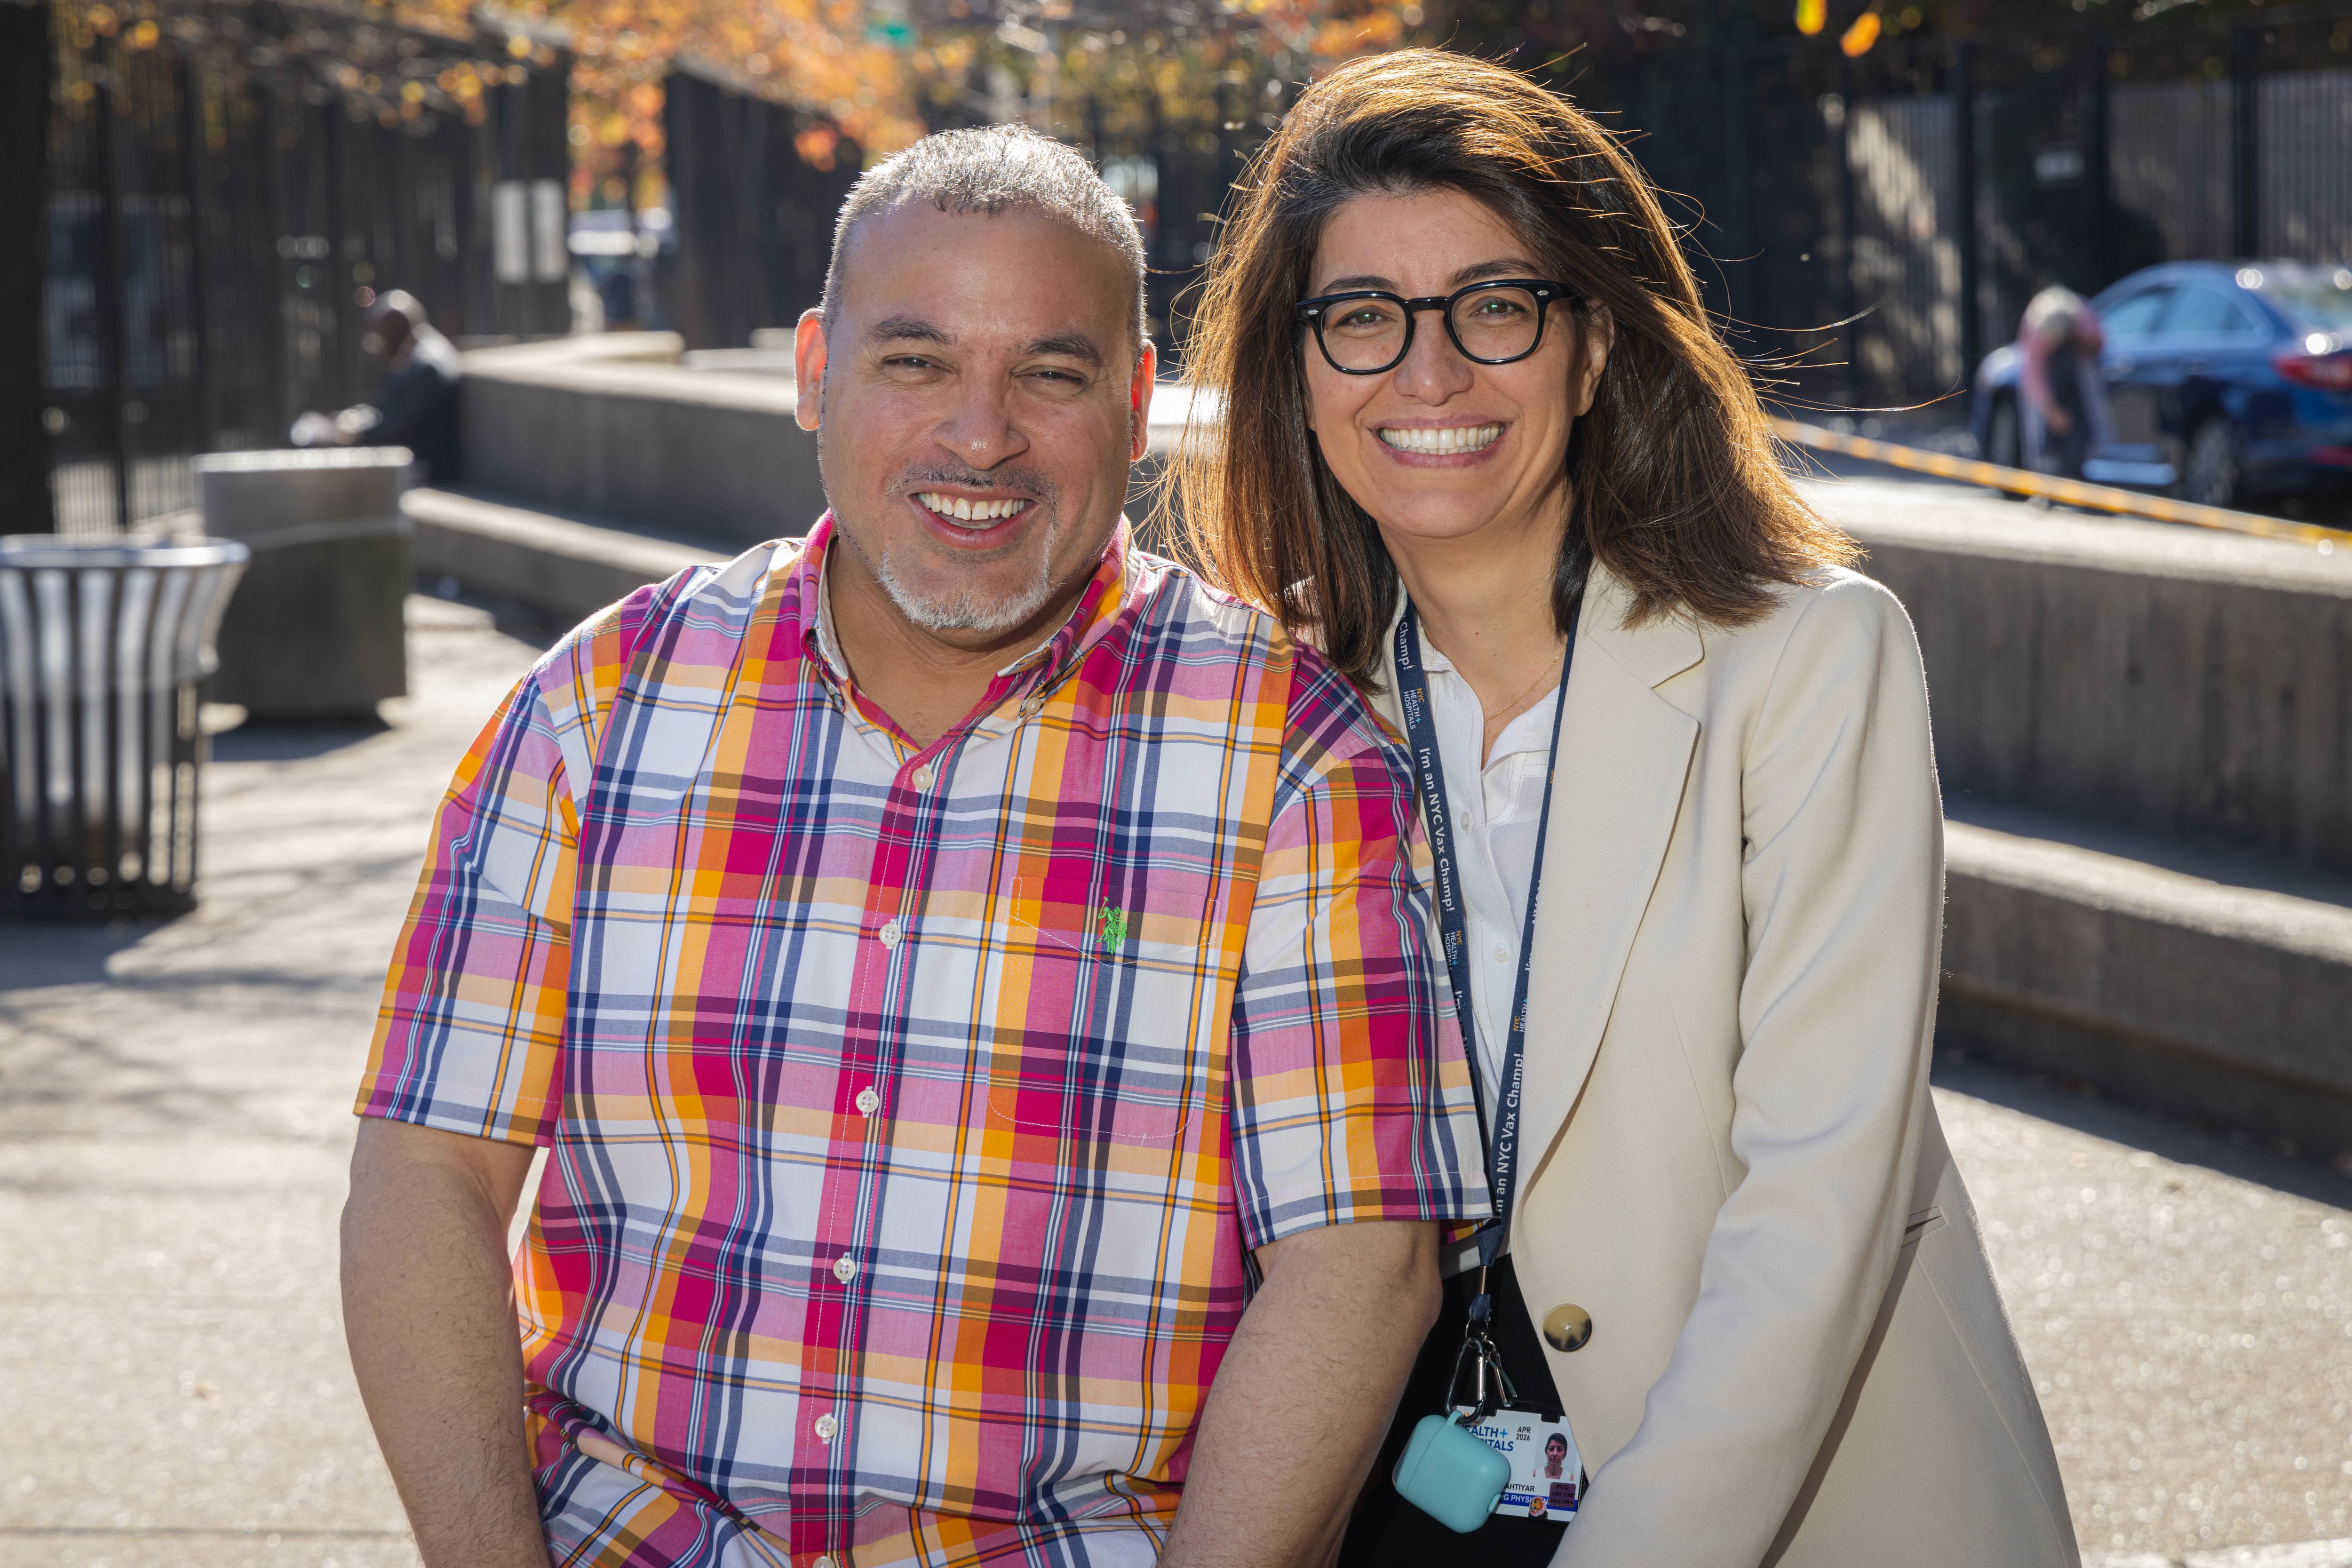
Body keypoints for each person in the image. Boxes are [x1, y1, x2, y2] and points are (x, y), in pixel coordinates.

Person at [339, 125, 1487, 1568]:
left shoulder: (1291, 758)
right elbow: (425, 1175)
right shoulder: (601, 705)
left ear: (1137, 404)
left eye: (1049, 373)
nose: (979, 433)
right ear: (815, 371)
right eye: (916, 360)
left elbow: (1357, 1263)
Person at [1178, 50, 2077, 1568]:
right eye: (1362, 319)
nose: (1431, 371)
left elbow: (1818, 1191)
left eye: (1495, 305)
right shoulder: (1265, 705)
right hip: (1406, 1488)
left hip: (1792, 1503)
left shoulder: (1807, 659)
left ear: (1590, 349)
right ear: (1296, 373)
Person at [291, 289, 463, 483]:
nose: (379, 348)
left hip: (427, 466)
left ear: (396, 329)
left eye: (380, 338)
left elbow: (396, 426)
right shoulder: (423, 353)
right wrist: (352, 419)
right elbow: (393, 413)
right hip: (414, 454)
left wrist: (347, 430)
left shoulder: (428, 366)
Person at [2018, 284, 2107, 481]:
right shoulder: (2035, 325)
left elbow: (2099, 344)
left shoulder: (2083, 317)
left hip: (2077, 381)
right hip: (2052, 384)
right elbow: (2032, 376)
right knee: (2038, 423)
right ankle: (2044, 481)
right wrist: (2051, 411)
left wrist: (2080, 343)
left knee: (2088, 423)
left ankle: (2083, 472)